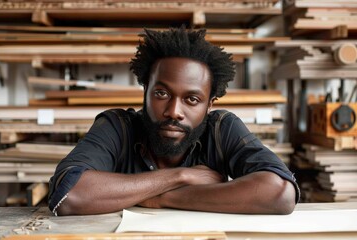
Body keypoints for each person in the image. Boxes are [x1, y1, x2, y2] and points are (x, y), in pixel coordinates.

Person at [48, 26, 300, 216]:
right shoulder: (117, 126)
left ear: (209, 104)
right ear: (145, 90)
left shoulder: (221, 129)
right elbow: (70, 194)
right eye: (162, 94)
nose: (173, 111)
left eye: (192, 99)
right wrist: (180, 176)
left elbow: (279, 192)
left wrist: (162, 199)